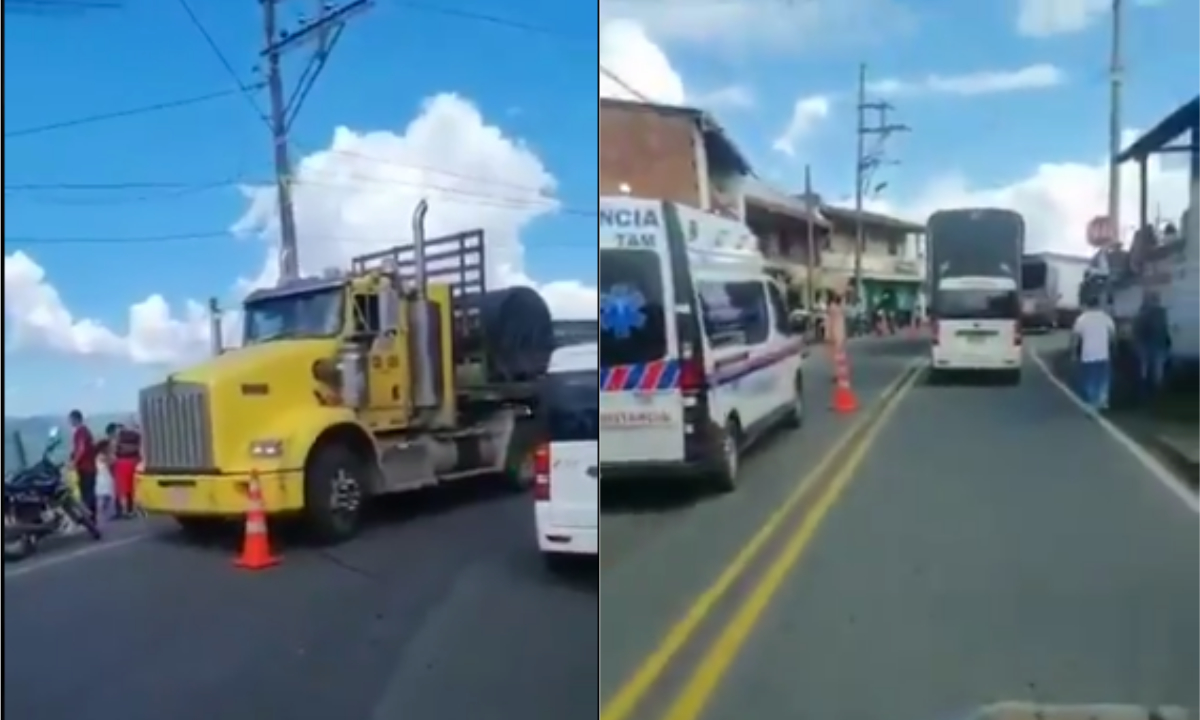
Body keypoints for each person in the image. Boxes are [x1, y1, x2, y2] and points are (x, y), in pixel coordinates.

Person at [1071, 296, 1116, 411]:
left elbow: (1075, 337)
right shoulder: (1106, 318)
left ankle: (1092, 401)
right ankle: (1102, 400)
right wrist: (1112, 347)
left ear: (1088, 305)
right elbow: (1112, 335)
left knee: (1089, 379)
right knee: (1103, 378)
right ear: (1098, 304)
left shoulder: (1082, 319)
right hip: (1103, 353)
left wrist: (1074, 353)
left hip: (1087, 354)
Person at [1132, 290, 1171, 398]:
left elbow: (1137, 329)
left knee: (1144, 368)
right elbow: (1164, 329)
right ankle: (1157, 392)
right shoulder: (1162, 312)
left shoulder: (1142, 312)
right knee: (1158, 370)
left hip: (1146, 343)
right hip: (1159, 343)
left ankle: (1144, 391)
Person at [68, 409, 99, 519]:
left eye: (70, 419)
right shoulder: (85, 431)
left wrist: (74, 462)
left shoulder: (81, 431)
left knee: (87, 493)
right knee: (89, 492)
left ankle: (89, 517)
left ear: (76, 419)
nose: (70, 422)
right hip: (89, 467)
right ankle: (92, 518)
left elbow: (81, 449)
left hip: (86, 467)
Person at [110, 422, 142, 518]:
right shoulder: (137, 435)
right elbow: (141, 449)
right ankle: (135, 510)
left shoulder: (118, 437)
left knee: (122, 489)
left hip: (121, 463)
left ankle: (124, 511)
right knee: (135, 488)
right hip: (135, 462)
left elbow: (113, 452)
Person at [94, 439, 115, 522]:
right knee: (104, 495)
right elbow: (110, 462)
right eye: (109, 446)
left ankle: (105, 513)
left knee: (107, 495)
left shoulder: (102, 455)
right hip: (103, 477)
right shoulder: (101, 456)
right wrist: (111, 454)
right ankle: (101, 514)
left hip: (106, 476)